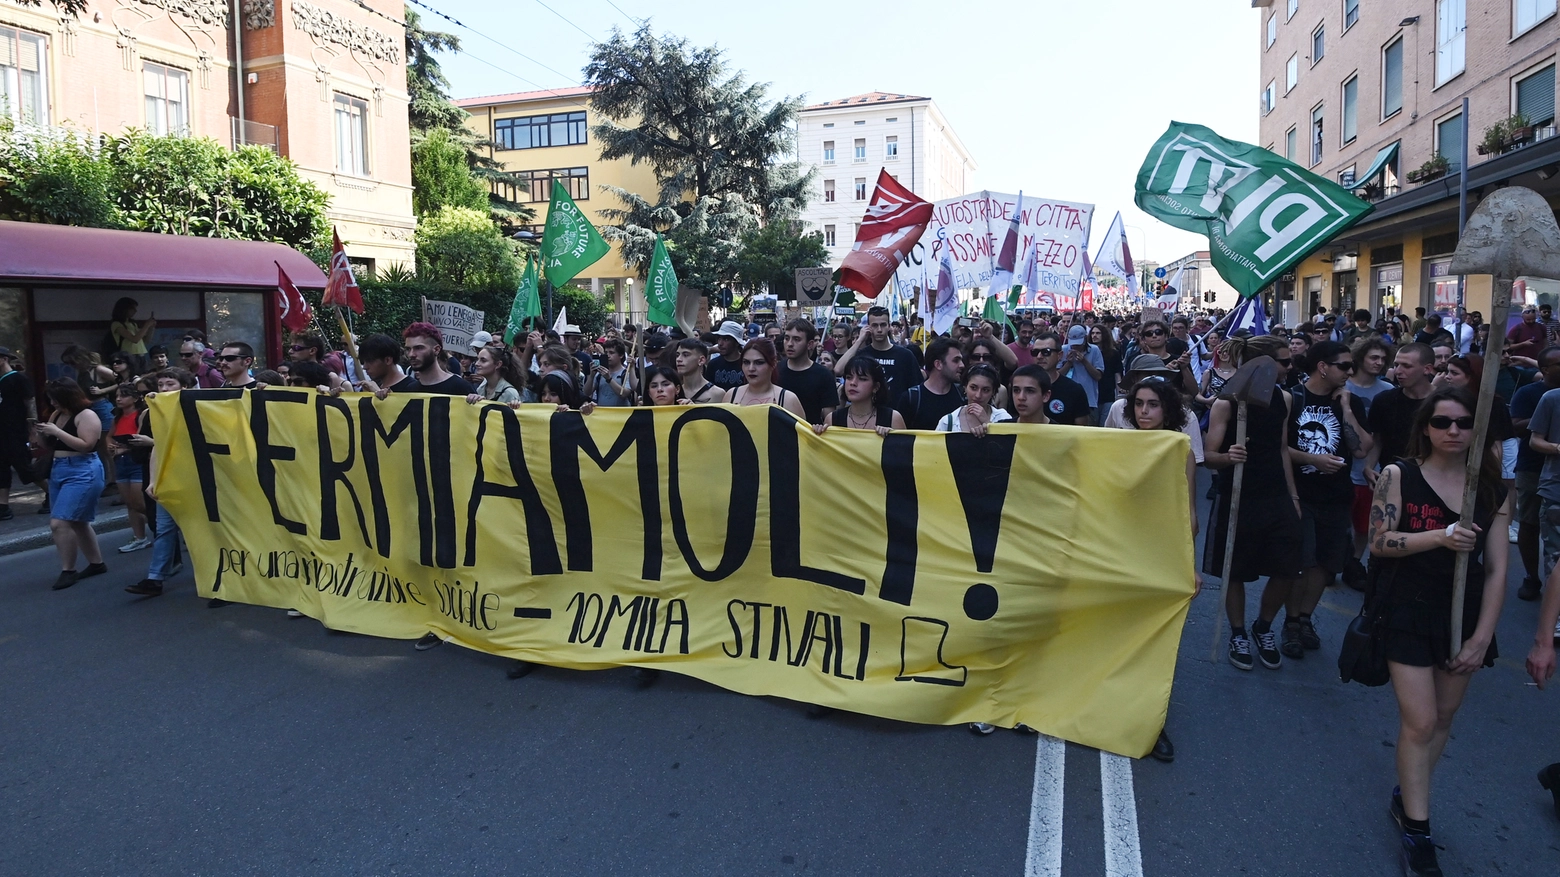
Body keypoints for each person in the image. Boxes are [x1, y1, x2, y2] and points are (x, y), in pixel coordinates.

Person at [1367, 386, 1509, 877]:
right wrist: (1440, 536)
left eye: (1464, 423)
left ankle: (1407, 796)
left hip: (1464, 616)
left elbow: (1496, 571)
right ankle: (1418, 831)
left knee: (1443, 718)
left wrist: (1481, 637)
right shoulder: (1398, 475)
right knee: (1421, 721)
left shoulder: (1491, 490)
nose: (1453, 431)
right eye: (1443, 422)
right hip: (1407, 609)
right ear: (1425, 426)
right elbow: (1380, 543)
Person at [1110, 375, 1200, 763]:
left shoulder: (1180, 450)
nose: (1144, 412)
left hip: (1159, 554)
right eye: (1139, 405)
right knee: (1112, 633)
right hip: (1116, 550)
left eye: (1153, 405)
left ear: (1168, 411)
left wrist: (1188, 565)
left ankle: (1151, 722)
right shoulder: (1114, 447)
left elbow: (1189, 515)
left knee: (1154, 642)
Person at [1203, 334, 1303, 672]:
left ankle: (1263, 627)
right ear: (1262, 363)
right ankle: (1238, 632)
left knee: (1289, 566)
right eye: (1284, 361)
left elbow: (1281, 448)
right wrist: (1228, 456)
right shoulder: (1226, 403)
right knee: (1236, 570)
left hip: (1276, 494)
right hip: (1238, 495)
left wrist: (1293, 495)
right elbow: (1208, 455)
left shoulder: (1285, 399)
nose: (1290, 367)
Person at [1274, 340, 1372, 660]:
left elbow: (1361, 449)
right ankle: (1289, 622)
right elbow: (1277, 448)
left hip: (1335, 496)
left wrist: (1345, 409)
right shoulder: (1292, 397)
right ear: (1323, 367)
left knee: (1323, 565)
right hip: (1299, 494)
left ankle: (1304, 619)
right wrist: (1312, 459)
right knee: (1300, 563)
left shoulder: (1349, 401)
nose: (1350, 372)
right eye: (1344, 366)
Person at [125, 368, 195, 597]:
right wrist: (154, 480)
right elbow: (159, 448)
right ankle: (155, 579)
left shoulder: (196, 408)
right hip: (169, 479)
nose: (164, 389)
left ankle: (216, 577)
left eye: (170, 384)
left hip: (193, 481)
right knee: (164, 529)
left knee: (199, 530)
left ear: (183, 387)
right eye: (161, 385)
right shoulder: (155, 412)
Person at [36, 378, 108, 590]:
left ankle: (68, 570)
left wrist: (58, 432)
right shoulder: (57, 414)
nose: (53, 403)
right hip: (60, 468)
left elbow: (87, 445)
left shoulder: (87, 415)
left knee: (60, 523)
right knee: (78, 521)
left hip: (82, 469)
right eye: (50, 399)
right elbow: (49, 444)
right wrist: (41, 434)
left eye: (56, 399)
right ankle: (97, 563)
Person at [1342, 337, 1396, 589]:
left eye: (1383, 359)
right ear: (1360, 358)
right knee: (1340, 522)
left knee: (1364, 525)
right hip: (1341, 468)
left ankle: (1353, 563)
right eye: (1374, 357)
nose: (1379, 362)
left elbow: (1383, 435)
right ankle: (1335, 559)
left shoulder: (1387, 391)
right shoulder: (1343, 387)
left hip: (1370, 472)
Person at [1511, 346, 1560, 602]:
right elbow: (1515, 425)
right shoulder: (1531, 394)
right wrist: (1541, 418)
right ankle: (1532, 577)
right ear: (1544, 370)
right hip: (1533, 468)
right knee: (1529, 523)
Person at [1365, 343, 1438, 484]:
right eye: (1396, 365)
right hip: (1392, 477)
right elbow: (1377, 439)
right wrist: (1368, 466)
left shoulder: (1444, 402)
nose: (1398, 371)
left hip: (1433, 479)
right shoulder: (1384, 400)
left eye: (1407, 366)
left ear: (1427, 369)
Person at [0, 347, 47, 520]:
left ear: (4, 359)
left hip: (16, 429)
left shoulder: (18, 378)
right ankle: (3, 506)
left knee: (24, 466)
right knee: (1, 468)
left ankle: (52, 493)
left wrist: (32, 427)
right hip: (2, 430)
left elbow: (30, 401)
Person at [835, 306, 923, 397]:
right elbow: (838, 370)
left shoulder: (905, 355)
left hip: (898, 409)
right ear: (868, 327)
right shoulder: (862, 355)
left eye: (883, 325)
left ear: (889, 326)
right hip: (868, 409)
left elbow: (917, 389)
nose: (879, 330)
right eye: (875, 325)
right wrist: (859, 340)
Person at [815, 357, 904, 436]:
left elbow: (906, 451)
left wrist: (892, 437)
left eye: (862, 379)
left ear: (876, 387)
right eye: (849, 377)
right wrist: (817, 435)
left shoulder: (893, 418)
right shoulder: (832, 418)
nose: (853, 383)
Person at [108, 384, 151, 552]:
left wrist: (124, 448)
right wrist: (111, 446)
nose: (118, 399)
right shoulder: (117, 417)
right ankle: (139, 537)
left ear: (135, 398)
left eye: (123, 395)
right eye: (117, 396)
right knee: (130, 503)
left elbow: (140, 439)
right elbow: (109, 436)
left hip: (136, 460)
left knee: (139, 502)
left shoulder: (141, 415)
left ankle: (165, 525)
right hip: (121, 461)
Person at [775, 319, 839, 425]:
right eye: (787, 338)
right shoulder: (775, 370)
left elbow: (829, 418)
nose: (790, 344)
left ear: (810, 344)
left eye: (797, 339)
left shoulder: (823, 375)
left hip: (810, 436)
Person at [895, 337, 965, 431]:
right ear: (938, 364)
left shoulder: (962, 395)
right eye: (956, 360)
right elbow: (898, 438)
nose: (962, 365)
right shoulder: (911, 398)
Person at [729, 339, 806, 419]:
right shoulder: (731, 395)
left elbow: (803, 430)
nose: (751, 368)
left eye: (759, 362)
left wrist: (816, 429)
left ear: (773, 363)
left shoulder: (789, 400)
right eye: (746, 362)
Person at [1029, 333, 1092, 425]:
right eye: (1035, 352)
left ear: (1059, 355)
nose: (1039, 356)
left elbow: (1081, 430)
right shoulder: (1022, 387)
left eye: (1046, 352)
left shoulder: (1074, 390)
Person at [935, 364, 1012, 435]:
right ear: (965, 387)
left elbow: (1009, 446)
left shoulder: (1003, 417)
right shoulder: (948, 422)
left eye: (985, 390)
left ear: (993, 392)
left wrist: (987, 423)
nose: (978, 395)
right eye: (973, 388)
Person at [400, 323, 473, 396]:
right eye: (408, 349)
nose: (411, 354)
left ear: (436, 349)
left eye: (419, 348)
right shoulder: (409, 391)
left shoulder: (461, 387)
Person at [1059, 324, 1105, 417]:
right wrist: (1068, 363)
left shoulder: (1094, 350)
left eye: (1078, 344)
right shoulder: (1063, 350)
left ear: (1085, 339)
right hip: (1066, 399)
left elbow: (1098, 376)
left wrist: (1084, 361)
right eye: (1073, 344)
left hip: (1089, 401)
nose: (1075, 347)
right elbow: (1057, 376)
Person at [109, 296, 155, 374]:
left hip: (141, 355)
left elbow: (145, 340)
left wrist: (151, 327)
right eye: (132, 308)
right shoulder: (116, 324)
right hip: (128, 356)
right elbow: (134, 339)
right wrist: (146, 325)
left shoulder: (133, 324)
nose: (135, 311)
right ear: (125, 309)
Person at [674, 338, 726, 403]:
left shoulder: (718, 394)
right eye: (677, 355)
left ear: (701, 360)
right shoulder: (674, 392)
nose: (678, 359)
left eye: (686, 355)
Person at [586, 338, 634, 407]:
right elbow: (587, 393)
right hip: (603, 415)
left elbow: (624, 394)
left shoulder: (626, 373)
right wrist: (591, 376)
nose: (608, 356)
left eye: (611, 353)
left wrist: (609, 379)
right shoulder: (599, 373)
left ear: (621, 355)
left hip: (621, 416)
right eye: (606, 353)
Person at [705, 321, 748, 390]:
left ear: (737, 342)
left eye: (726, 339)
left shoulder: (747, 364)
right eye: (719, 338)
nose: (720, 343)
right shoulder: (713, 364)